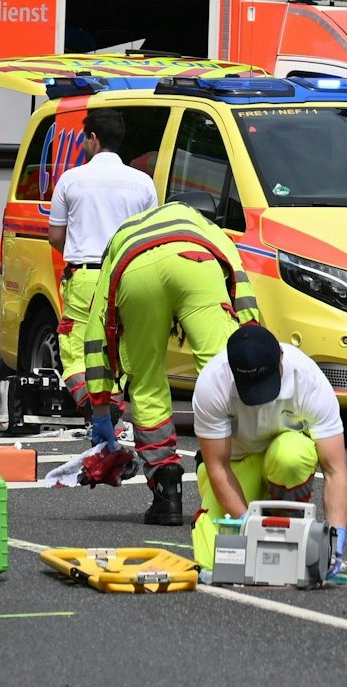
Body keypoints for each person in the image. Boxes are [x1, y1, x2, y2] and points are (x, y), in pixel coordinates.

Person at [81, 198, 259, 525]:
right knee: (222, 372)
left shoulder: (122, 236)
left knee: (147, 382)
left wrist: (101, 409)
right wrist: (254, 349)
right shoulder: (207, 229)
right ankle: (222, 472)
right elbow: (242, 292)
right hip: (196, 263)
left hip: (135, 271)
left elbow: (96, 329)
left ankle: (167, 490)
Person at [189, 323, 347, 572]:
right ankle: (260, 523)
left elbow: (335, 470)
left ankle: (289, 525)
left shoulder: (308, 378)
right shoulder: (212, 384)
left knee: (291, 456)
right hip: (237, 464)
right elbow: (218, 467)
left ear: (281, 358)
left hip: (282, 457)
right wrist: (247, 525)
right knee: (216, 562)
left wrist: (335, 537)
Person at [47, 111, 157, 414]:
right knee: (117, 348)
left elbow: (55, 236)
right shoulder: (143, 183)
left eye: (84, 139)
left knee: (77, 348)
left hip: (85, 277)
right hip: (128, 278)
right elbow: (150, 238)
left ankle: (96, 408)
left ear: (93, 139)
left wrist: (77, 252)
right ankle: (112, 411)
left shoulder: (71, 180)